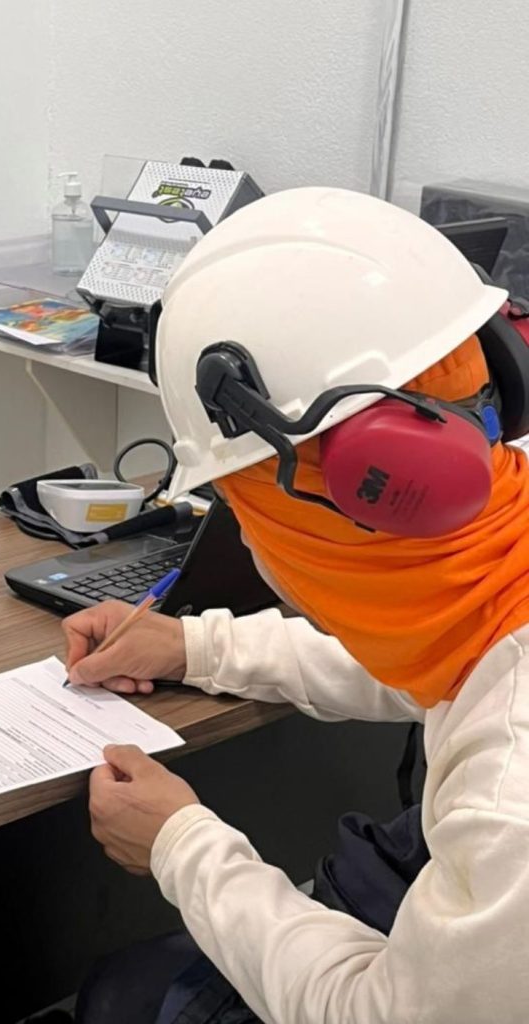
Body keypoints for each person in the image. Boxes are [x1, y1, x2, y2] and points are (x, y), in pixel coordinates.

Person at [64, 187, 529, 1023]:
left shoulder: (509, 799)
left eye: (241, 507)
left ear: (364, 496)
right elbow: (441, 659)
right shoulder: (497, 567)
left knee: (125, 998)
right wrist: (197, 649)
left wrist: (184, 844)